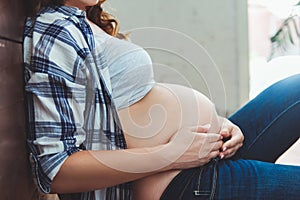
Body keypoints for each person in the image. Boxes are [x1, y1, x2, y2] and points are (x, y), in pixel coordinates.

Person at [23, 0, 300, 200]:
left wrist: (222, 125)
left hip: (200, 155)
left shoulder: (84, 20)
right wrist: (174, 154)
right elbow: (56, 171)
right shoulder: (54, 30)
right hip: (177, 181)